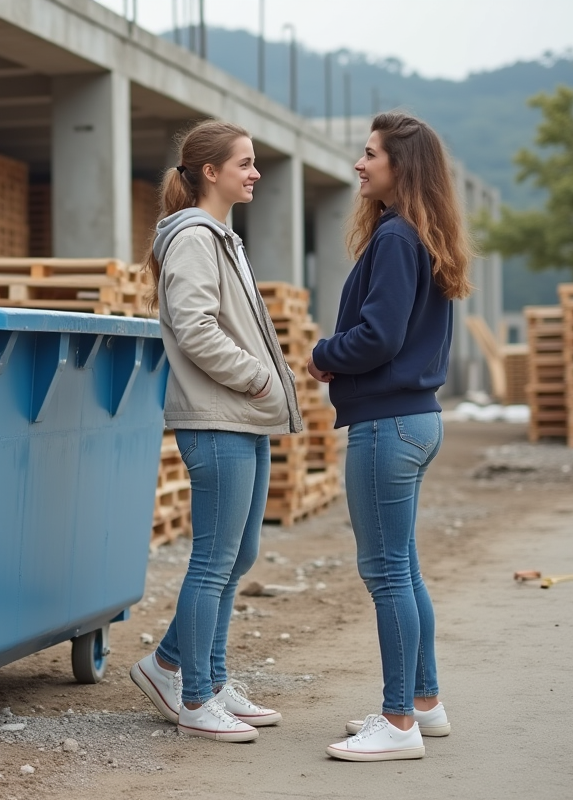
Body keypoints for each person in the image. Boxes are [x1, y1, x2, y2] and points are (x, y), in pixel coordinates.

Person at [129, 120, 303, 742]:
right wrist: (257, 378)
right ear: (211, 171)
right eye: (246, 163)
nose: (255, 173)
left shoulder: (222, 237)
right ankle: (195, 699)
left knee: (241, 554)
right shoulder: (195, 238)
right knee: (213, 561)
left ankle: (186, 668)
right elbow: (194, 325)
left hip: (240, 416)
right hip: (217, 415)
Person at [308, 112, 474, 762]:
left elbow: (378, 337)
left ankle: (398, 721)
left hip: (387, 424)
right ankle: (424, 703)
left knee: (385, 574)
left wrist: (325, 353)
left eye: (370, 154)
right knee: (403, 568)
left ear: (400, 165)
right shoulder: (417, 236)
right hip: (416, 419)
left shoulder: (398, 239)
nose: (359, 163)